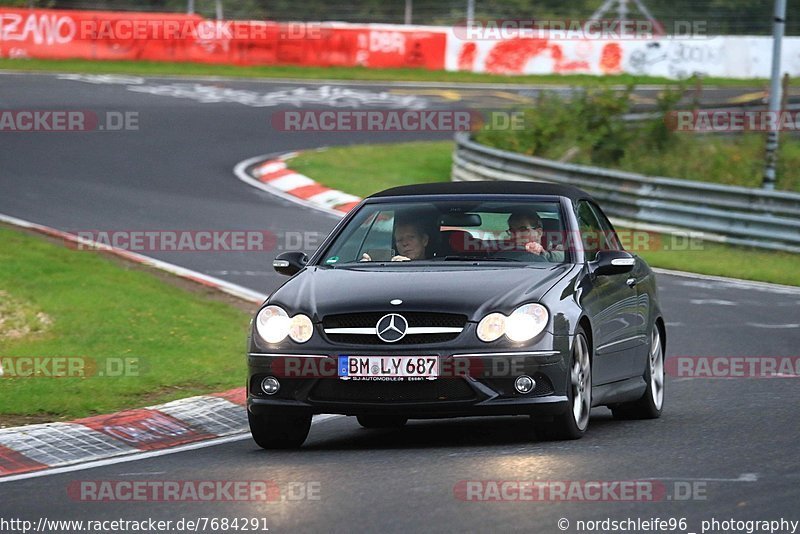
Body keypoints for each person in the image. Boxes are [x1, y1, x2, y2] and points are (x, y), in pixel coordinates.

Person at [360, 220, 430, 262]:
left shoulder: (437, 267)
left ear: (424, 240)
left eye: (410, 238)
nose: (405, 243)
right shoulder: (389, 267)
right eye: (400, 240)